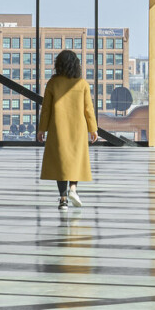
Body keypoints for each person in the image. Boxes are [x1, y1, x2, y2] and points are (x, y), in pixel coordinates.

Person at [37, 48, 98, 208]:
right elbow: (88, 109)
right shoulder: (82, 83)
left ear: (59, 65)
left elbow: (46, 109)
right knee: (75, 160)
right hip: (78, 129)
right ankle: (73, 189)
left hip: (58, 128)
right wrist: (93, 129)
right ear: (76, 65)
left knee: (60, 163)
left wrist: (41, 129)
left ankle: (63, 200)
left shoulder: (53, 83)